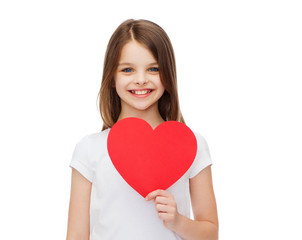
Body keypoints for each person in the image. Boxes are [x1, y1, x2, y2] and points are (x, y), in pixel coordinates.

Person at [66, 19, 219, 240]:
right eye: (127, 69)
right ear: (112, 77)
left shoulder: (192, 145)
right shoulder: (89, 149)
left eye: (153, 69)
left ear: (167, 74)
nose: (140, 80)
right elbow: (77, 235)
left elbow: (211, 234)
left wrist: (178, 221)